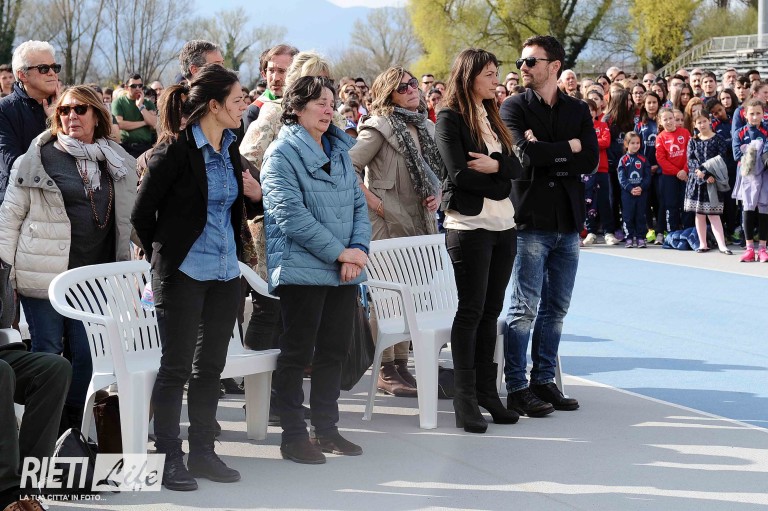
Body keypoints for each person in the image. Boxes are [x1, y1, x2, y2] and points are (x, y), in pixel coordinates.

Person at [131, 64, 248, 490]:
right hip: (182, 274)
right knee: (175, 368)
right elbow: (141, 216)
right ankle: (168, 457)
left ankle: (203, 452)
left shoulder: (230, 148)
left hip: (225, 273)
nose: (244, 105)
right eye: (237, 99)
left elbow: (231, 210)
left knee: (210, 368)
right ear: (214, 106)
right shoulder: (173, 152)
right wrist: (167, 256)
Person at [0, 85, 137, 432]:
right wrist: (5, 275)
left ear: (97, 115)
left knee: (87, 355)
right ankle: (49, 426)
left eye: (79, 109)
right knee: (48, 352)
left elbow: (130, 217)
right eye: (64, 110)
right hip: (43, 274)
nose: (71, 116)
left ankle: (71, 424)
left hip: (93, 280)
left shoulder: (117, 161)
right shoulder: (36, 159)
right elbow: (9, 218)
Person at [261, 76, 371, 464]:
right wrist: (341, 254)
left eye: (331, 102)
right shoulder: (280, 154)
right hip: (302, 269)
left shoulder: (339, 150)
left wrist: (357, 251)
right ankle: (293, 435)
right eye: (319, 102)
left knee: (334, 351)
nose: (328, 109)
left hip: (344, 269)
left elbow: (358, 205)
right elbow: (291, 216)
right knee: (296, 353)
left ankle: (326, 429)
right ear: (295, 108)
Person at [500, 35, 598, 417]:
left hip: (568, 221)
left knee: (556, 308)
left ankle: (543, 380)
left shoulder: (578, 108)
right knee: (524, 307)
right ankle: (516, 387)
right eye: (521, 61)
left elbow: (590, 159)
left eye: (531, 61)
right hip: (530, 220)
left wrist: (548, 151)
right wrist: (568, 147)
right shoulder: (513, 106)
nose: (523, 67)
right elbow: (524, 156)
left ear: (554, 66)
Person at [436, 48, 523, 432]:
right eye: (489, 74)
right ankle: (465, 399)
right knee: (471, 311)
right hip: (469, 227)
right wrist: (500, 181)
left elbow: (516, 165)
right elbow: (459, 175)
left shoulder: (492, 114)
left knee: (491, 311)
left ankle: (488, 392)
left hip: (503, 226)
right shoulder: (449, 117)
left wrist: (496, 166)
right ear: (469, 76)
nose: (495, 80)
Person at [350, 66, 444, 399]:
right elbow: (348, 168)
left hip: (419, 223)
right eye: (402, 87)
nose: (412, 89)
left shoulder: (426, 127)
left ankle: (401, 363)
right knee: (387, 299)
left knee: (412, 296)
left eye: (413, 83)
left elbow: (438, 174)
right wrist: (376, 204)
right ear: (388, 94)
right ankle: (385, 368)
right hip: (386, 224)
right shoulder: (378, 127)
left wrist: (438, 194)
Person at [0, 40, 61, 204]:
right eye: (43, 68)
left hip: (62, 202)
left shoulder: (69, 108)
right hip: (20, 204)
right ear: (22, 75)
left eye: (55, 68)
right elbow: (13, 164)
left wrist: (58, 118)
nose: (52, 73)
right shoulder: (4, 110)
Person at [684, 114, 731, 254]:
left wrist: (708, 174)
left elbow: (721, 158)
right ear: (695, 125)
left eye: (704, 121)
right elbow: (691, 160)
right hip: (697, 181)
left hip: (713, 181)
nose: (702, 124)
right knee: (699, 214)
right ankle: (703, 244)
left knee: (713, 214)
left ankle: (722, 245)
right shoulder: (693, 141)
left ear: (710, 121)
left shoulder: (718, 139)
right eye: (699, 122)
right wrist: (702, 173)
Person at [731, 99, 768, 262]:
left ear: (763, 114)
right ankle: (749, 249)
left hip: (765, 175)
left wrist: (765, 157)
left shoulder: (766, 130)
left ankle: (763, 248)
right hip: (748, 176)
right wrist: (752, 151)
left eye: (758, 113)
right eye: (751, 113)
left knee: (764, 209)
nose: (755, 117)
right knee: (748, 209)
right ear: (745, 114)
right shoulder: (739, 132)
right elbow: (736, 155)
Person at [243, 44, 299, 131]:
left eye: (282, 71)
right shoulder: (255, 110)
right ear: (264, 73)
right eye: (271, 70)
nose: (275, 78)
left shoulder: (307, 107)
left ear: (296, 73)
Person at [655, 107, 690, 243]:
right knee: (671, 205)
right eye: (665, 119)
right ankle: (672, 233)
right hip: (669, 177)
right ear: (660, 121)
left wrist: (685, 170)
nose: (669, 121)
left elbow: (690, 153)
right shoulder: (660, 137)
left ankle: (688, 232)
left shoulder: (685, 133)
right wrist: (677, 172)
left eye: (671, 118)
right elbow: (661, 159)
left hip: (686, 175)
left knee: (686, 204)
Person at [583, 99, 613, 246]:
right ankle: (591, 232)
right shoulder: (578, 128)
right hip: (586, 170)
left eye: (591, 110)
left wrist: (588, 143)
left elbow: (606, 142)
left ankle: (608, 232)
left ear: (596, 112)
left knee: (604, 201)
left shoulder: (602, 125)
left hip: (601, 169)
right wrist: (593, 142)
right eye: (586, 110)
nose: (589, 113)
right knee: (588, 201)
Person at [617, 132, 651, 248]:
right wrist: (630, 189)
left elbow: (647, 177)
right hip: (627, 194)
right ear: (626, 144)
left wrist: (641, 187)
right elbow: (621, 178)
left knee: (640, 215)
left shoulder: (643, 159)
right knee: (628, 216)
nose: (636, 145)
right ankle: (629, 237)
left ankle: (641, 237)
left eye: (638, 143)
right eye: (632, 143)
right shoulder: (623, 160)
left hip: (641, 193)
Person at [112, 73, 158, 157]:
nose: (137, 88)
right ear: (126, 87)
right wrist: (145, 122)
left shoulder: (148, 103)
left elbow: (154, 123)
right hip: (127, 147)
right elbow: (120, 124)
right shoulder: (119, 102)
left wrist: (140, 106)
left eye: (140, 86)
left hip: (146, 147)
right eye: (133, 86)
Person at [636, 91, 662, 242]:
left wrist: (658, 165)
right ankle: (649, 229)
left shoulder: (662, 122)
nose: (652, 105)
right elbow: (636, 147)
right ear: (644, 105)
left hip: (660, 169)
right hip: (644, 170)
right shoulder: (640, 124)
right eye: (649, 103)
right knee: (645, 201)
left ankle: (660, 229)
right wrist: (646, 167)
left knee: (659, 200)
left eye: (654, 102)